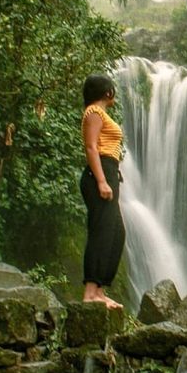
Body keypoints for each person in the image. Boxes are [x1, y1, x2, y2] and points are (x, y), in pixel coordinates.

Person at [80, 73, 125, 309]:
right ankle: (90, 293)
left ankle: (99, 290)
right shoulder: (94, 113)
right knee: (101, 232)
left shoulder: (99, 113)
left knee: (116, 234)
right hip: (100, 172)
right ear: (108, 92)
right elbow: (91, 146)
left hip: (109, 171)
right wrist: (101, 181)